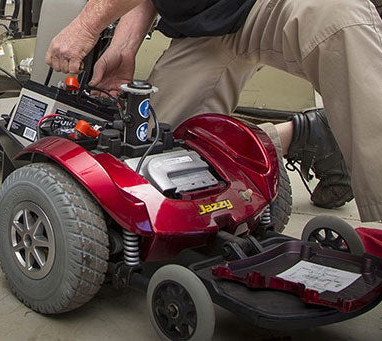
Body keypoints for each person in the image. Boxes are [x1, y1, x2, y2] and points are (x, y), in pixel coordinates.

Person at [45, 0, 382, 222]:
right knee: (152, 158)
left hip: (270, 5)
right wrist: (124, 46)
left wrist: (86, 26)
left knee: (340, 22)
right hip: (200, 30)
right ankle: (306, 134)